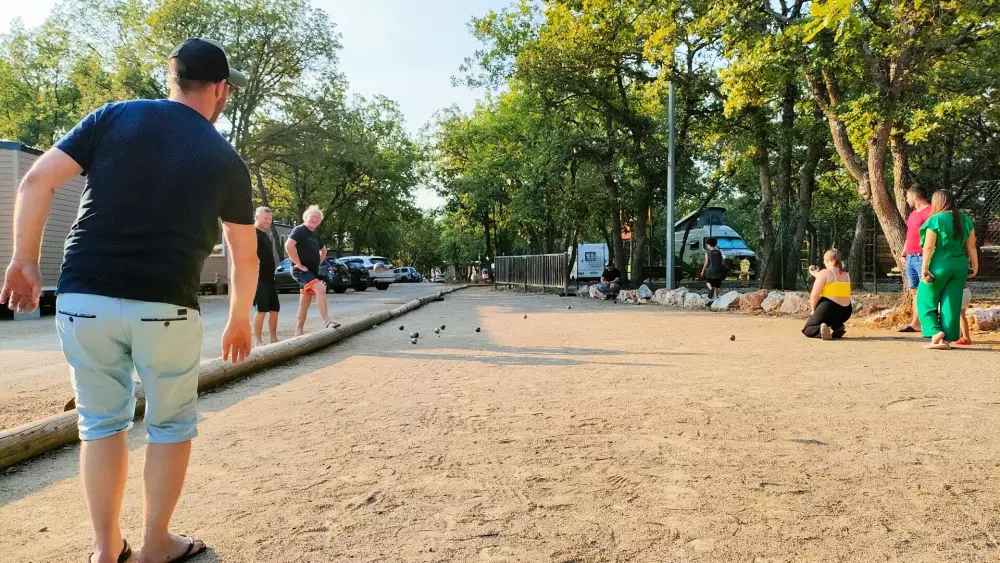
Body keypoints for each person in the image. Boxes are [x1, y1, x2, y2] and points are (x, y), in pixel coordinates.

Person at [0, 38, 256, 563]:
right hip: (166, 306)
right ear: (220, 90)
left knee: (99, 423)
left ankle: (104, 550)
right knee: (171, 425)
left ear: (172, 79)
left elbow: (35, 182)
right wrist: (237, 321)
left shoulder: (113, 117)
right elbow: (243, 255)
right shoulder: (226, 158)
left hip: (84, 296)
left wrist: (25, 260)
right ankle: (157, 544)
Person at [917, 189, 978, 350]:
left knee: (924, 299)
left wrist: (924, 267)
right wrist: (975, 266)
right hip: (960, 265)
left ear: (937, 202)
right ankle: (948, 338)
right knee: (951, 302)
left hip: (939, 264)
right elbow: (971, 245)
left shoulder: (935, 220)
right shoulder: (965, 219)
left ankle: (935, 332)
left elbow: (929, 246)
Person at [285, 205, 339, 336]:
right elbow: (288, 245)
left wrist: (317, 262)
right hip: (301, 271)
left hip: (311, 271)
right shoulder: (299, 230)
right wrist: (298, 263)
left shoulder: (315, 235)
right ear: (305, 217)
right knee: (321, 288)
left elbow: (324, 250)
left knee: (305, 302)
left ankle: (298, 331)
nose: (315, 219)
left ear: (320, 221)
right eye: (312, 216)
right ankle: (327, 321)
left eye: (317, 218)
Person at [898, 186, 932, 333]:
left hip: (922, 257)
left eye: (907, 196)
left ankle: (930, 323)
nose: (906, 199)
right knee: (914, 291)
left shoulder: (930, 212)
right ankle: (916, 323)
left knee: (927, 290)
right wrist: (904, 252)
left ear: (915, 197)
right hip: (911, 257)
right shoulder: (912, 214)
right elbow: (910, 235)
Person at [802, 249, 852, 340]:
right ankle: (837, 326)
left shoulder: (824, 273)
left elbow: (814, 296)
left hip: (830, 308)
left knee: (808, 329)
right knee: (827, 318)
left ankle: (820, 330)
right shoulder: (846, 274)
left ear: (827, 260)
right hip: (846, 311)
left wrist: (814, 311)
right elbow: (832, 279)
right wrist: (815, 274)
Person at [253, 207, 280, 346]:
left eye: (270, 219)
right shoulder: (251, 233)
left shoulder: (266, 235)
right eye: (265, 218)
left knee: (275, 309)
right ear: (256, 217)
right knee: (261, 310)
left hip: (270, 278)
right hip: (258, 279)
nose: (268, 221)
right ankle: (258, 341)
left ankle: (273, 339)